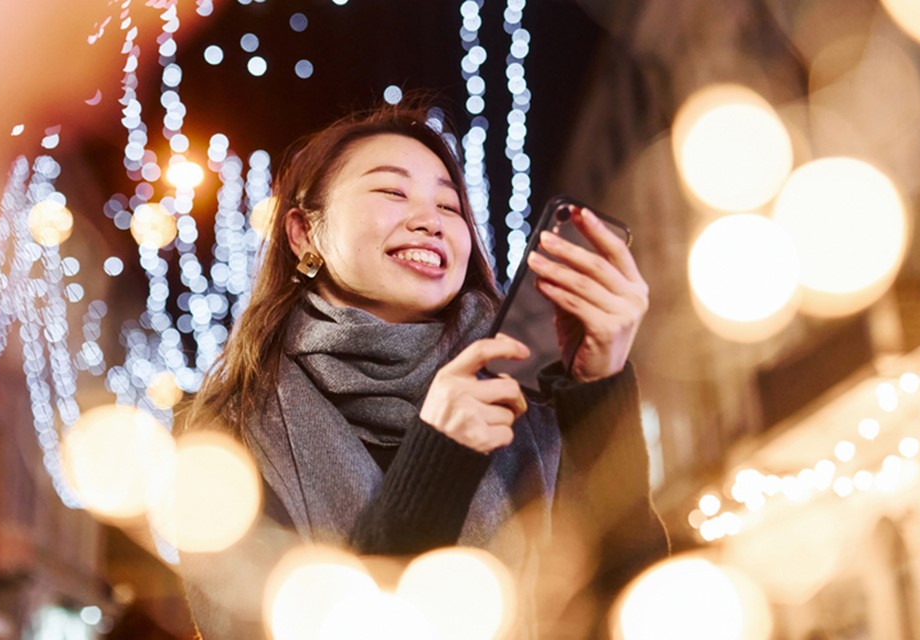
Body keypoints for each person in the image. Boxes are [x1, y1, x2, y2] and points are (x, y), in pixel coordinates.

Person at [178, 100, 668, 638]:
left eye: (451, 205)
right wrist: (436, 460)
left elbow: (634, 600)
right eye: (392, 192)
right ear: (303, 233)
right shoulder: (224, 433)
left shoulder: (528, 394)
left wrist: (601, 389)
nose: (429, 220)